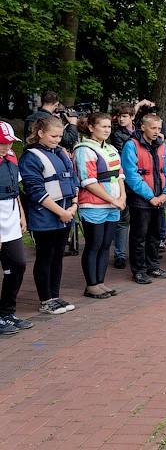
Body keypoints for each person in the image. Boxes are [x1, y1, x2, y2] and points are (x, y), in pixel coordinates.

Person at [19, 116, 79, 314]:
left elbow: (72, 180)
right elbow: (35, 190)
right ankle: (46, 299)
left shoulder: (61, 153)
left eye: (60, 136)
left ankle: (55, 295)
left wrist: (73, 206)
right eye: (53, 135)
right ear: (40, 133)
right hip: (45, 215)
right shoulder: (30, 156)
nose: (57, 139)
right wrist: (61, 212)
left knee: (57, 258)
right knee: (45, 257)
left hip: (65, 213)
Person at [72, 113, 125, 299]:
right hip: (93, 205)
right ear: (91, 127)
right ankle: (91, 284)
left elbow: (119, 175)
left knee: (105, 245)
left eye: (109, 127)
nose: (107, 130)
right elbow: (88, 181)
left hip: (113, 206)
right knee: (94, 244)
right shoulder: (84, 149)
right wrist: (113, 200)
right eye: (103, 126)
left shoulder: (111, 148)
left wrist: (122, 197)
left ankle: (100, 282)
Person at [120, 113, 166, 284]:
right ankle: (139, 270)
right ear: (143, 127)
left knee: (155, 235)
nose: (157, 132)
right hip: (141, 199)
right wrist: (151, 197)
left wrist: (165, 194)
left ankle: (153, 266)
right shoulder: (131, 145)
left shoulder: (162, 146)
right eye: (153, 128)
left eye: (159, 128)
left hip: (160, 198)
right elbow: (131, 175)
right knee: (139, 236)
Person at [0, 122, 33, 333]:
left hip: (10, 218)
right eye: (2, 143)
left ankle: (7, 312)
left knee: (18, 264)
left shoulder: (11, 157)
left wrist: (21, 213)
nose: (6, 146)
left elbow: (15, 190)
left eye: (10, 142)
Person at [110, 102, 137, 269]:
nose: (121, 119)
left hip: (138, 179)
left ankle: (136, 252)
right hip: (125, 179)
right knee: (122, 218)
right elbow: (127, 155)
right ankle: (120, 254)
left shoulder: (140, 131)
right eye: (119, 116)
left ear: (132, 117)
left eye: (125, 116)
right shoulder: (118, 135)